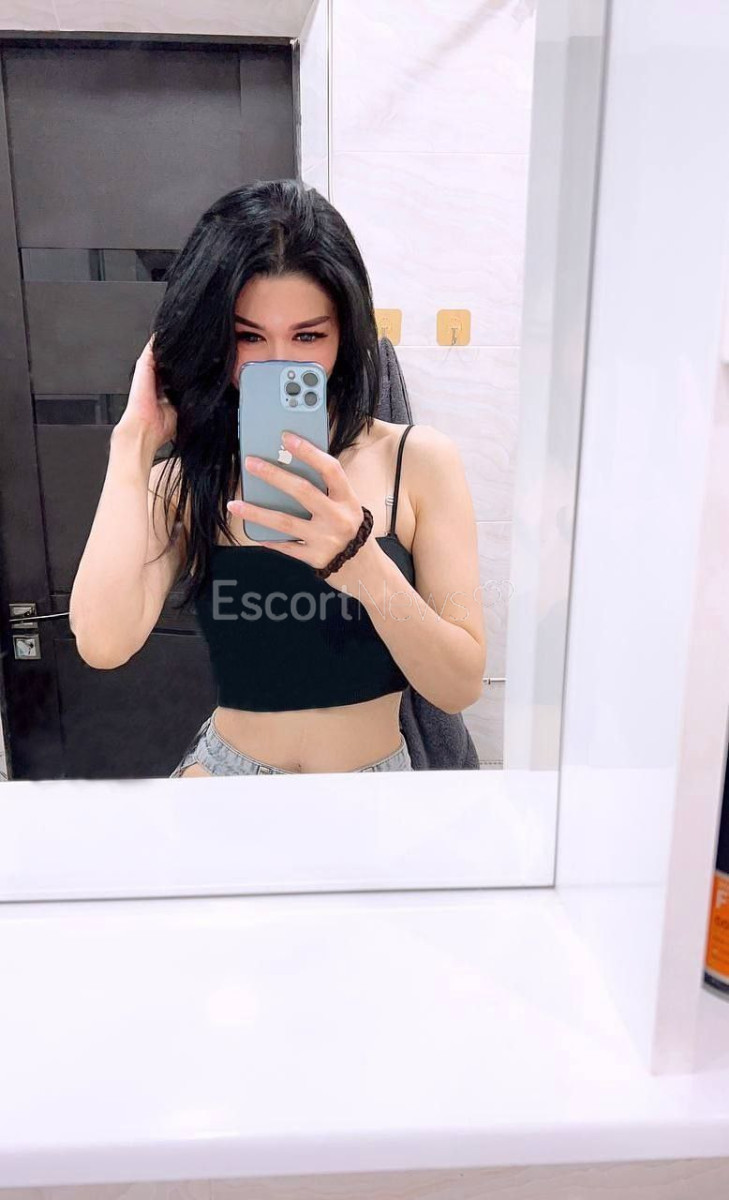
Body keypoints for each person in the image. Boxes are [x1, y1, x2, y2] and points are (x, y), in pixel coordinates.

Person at [69, 179, 486, 776]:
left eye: (308, 335)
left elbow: (459, 686)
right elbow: (102, 642)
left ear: (346, 333)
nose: (279, 362)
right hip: (227, 778)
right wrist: (133, 442)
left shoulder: (418, 462)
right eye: (249, 337)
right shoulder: (188, 478)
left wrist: (362, 564)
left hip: (373, 792)